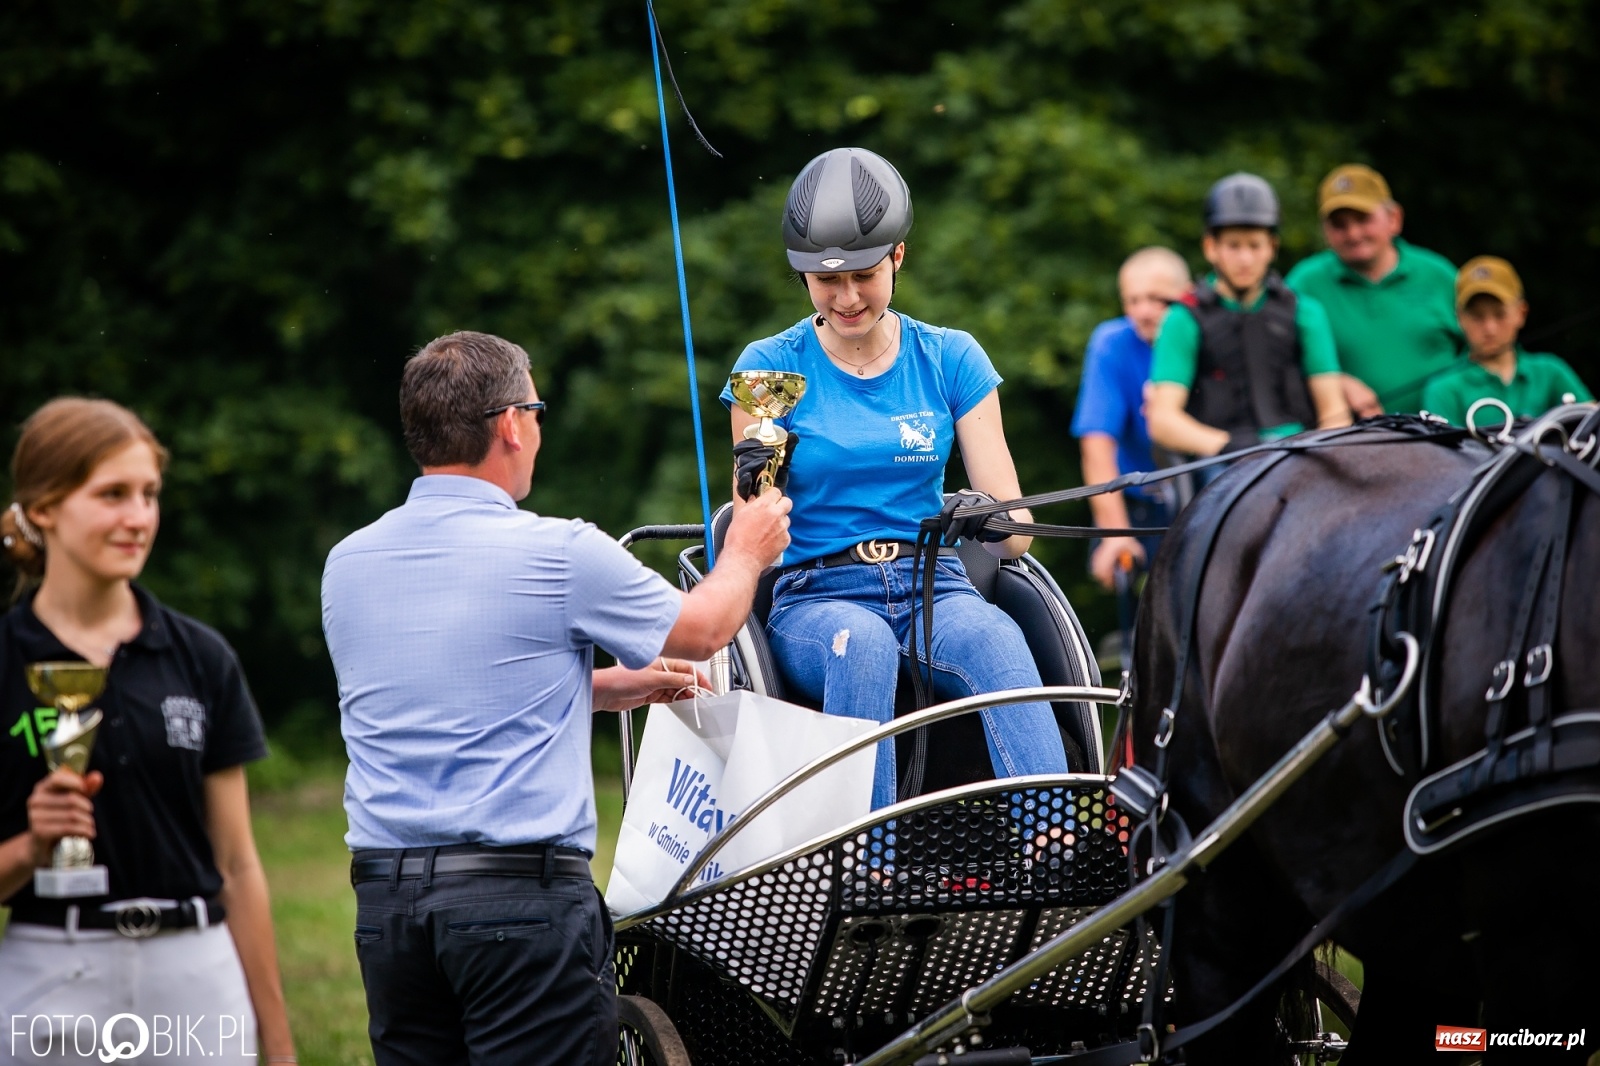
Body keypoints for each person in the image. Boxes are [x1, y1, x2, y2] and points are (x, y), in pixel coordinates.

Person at [321, 331, 790, 1066]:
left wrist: (612, 688)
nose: (537, 429)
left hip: (389, 911)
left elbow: (454, 698)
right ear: (510, 422)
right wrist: (746, 550)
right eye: (536, 410)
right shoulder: (559, 551)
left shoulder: (346, 564)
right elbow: (703, 630)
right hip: (519, 908)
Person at [721, 147, 1070, 812]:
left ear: (898, 258)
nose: (847, 297)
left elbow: (1016, 538)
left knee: (998, 638)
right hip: (817, 593)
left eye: (863, 274)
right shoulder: (769, 367)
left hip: (933, 583)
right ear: (802, 277)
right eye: (827, 282)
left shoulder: (951, 357)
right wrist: (757, 473)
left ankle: (1051, 840)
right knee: (865, 646)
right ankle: (865, 862)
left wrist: (988, 514)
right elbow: (754, 522)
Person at [0, 398, 295, 1064]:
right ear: (43, 508)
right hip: (47, 974)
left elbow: (239, 866)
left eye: (148, 494)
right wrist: (30, 846)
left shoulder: (201, 656)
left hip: (195, 976)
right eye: (112, 495)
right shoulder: (5, 659)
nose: (138, 518)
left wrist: (277, 1047)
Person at [1146, 172, 1351, 468]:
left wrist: (1314, 453)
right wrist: (1228, 446)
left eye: (1254, 246)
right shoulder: (1183, 319)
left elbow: (1334, 412)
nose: (1245, 259)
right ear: (1210, 247)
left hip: (1300, 456)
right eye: (1233, 246)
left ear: (1272, 247)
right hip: (1220, 461)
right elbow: (1163, 419)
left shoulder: (1306, 312)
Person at [1285, 163, 1463, 416]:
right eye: (1339, 224)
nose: (1353, 233)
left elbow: (1484, 353)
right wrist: (1337, 382)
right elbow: (1276, 365)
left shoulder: (1440, 276)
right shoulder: (1304, 283)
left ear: (1394, 219)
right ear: (1325, 230)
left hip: (1449, 441)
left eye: (1363, 219)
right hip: (1348, 446)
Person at [1071, 247, 1191, 589]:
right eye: (1132, 300)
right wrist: (1115, 535)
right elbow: (1096, 445)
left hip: (1201, 490)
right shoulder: (1112, 343)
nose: (1142, 311)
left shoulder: (1206, 336)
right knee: (1122, 581)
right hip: (1135, 502)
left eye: (1157, 299)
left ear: (1187, 296)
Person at [1421, 256, 1593, 429]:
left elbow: (1593, 425)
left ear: (1521, 313)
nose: (1490, 328)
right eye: (1477, 316)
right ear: (1459, 318)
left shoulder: (1551, 372)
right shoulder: (1443, 390)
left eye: (1500, 314)